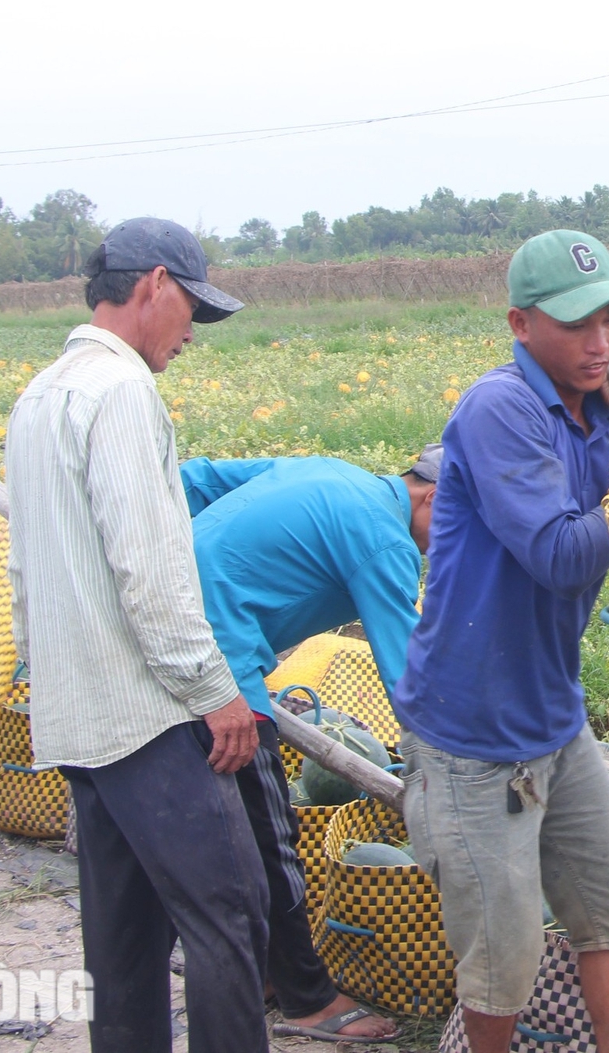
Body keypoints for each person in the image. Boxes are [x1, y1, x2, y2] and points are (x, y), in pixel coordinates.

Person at [394, 230, 609, 1053]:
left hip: (553, 715)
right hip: (473, 733)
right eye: (578, 323)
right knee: (500, 957)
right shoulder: (500, 409)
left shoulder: (596, 416)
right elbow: (558, 551)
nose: (601, 342)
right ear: (520, 324)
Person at [6, 218, 268, 1053]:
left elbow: (26, 570)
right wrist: (213, 691)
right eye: (191, 307)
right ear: (154, 283)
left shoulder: (42, 392)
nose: (191, 332)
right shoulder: (120, 393)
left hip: (78, 713)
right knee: (230, 912)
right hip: (144, 713)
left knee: (121, 931)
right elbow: (149, 571)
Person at [180, 447, 441, 1044]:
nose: (440, 548)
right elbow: (409, 679)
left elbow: (192, 479)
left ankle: (267, 969)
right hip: (217, 658)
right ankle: (306, 998)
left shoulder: (328, 472)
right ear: (432, 498)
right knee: (268, 834)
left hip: (167, 618)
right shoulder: (384, 542)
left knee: (233, 825)